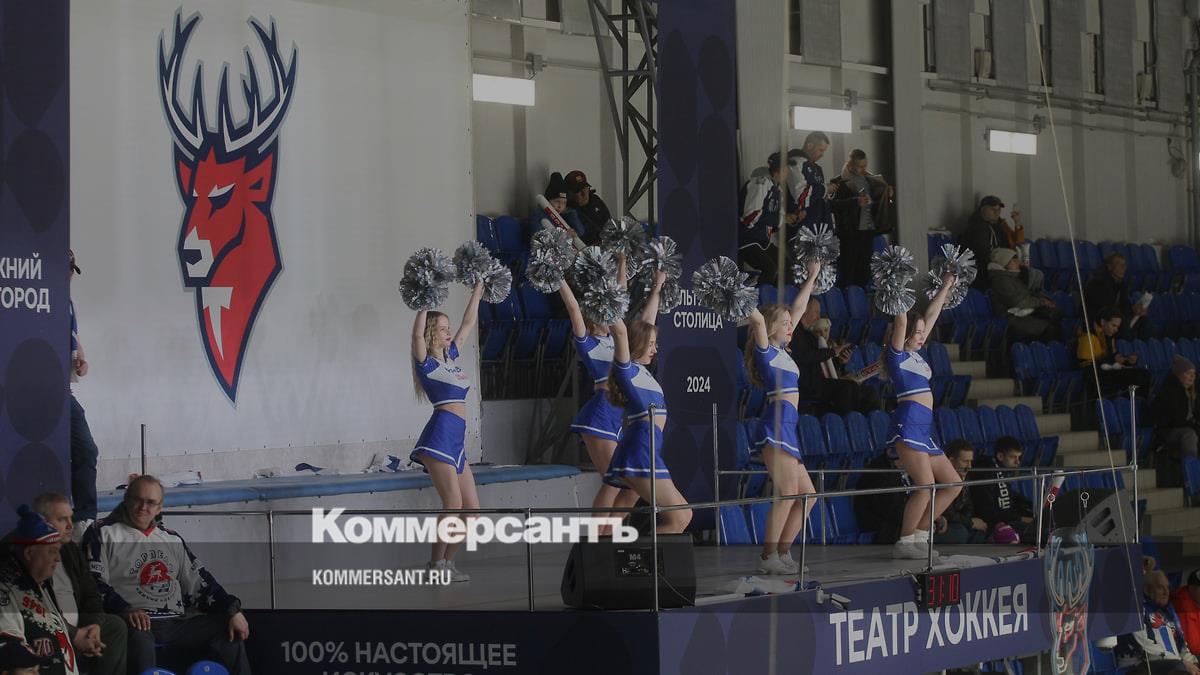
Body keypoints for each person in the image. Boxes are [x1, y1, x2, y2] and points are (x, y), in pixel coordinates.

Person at [83, 476, 250, 674]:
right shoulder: (101, 532)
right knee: (140, 638)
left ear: (159, 507)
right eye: (138, 499)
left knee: (227, 628)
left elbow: (201, 583)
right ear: (126, 499)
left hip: (176, 623)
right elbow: (92, 582)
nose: (143, 507)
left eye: (151, 502)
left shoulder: (171, 538)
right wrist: (124, 609)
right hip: (133, 623)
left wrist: (232, 610)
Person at [559, 258, 666, 530]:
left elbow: (640, 314)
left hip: (620, 417)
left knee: (631, 488)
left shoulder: (620, 341)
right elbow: (573, 308)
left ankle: (608, 534)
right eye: (603, 310)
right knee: (614, 481)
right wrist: (556, 276)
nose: (611, 314)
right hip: (600, 415)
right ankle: (595, 541)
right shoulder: (588, 343)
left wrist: (626, 264)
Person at [743, 261, 823, 574]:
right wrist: (739, 292)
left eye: (791, 323)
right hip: (776, 424)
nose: (791, 326)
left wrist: (812, 276)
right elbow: (756, 320)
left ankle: (783, 552)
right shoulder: (766, 352)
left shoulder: (785, 351)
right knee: (788, 493)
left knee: (808, 496)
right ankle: (768, 557)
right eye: (785, 323)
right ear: (771, 327)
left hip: (789, 426)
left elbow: (799, 307)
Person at [882, 271, 962, 559]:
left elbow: (931, 315)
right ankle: (904, 542)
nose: (920, 336)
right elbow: (902, 321)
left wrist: (946, 287)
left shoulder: (916, 353)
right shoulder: (897, 356)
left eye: (921, 333)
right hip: (907, 424)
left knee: (953, 484)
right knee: (925, 486)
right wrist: (898, 286)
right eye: (916, 333)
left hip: (924, 428)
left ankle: (920, 536)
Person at [409, 282, 484, 582]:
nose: (448, 332)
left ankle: (446, 563)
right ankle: (435, 564)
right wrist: (424, 301)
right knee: (453, 504)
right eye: (442, 329)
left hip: (457, 441)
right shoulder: (425, 363)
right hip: (439, 436)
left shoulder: (451, 357)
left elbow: (468, 323)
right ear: (431, 333)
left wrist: (478, 289)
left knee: (472, 510)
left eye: (447, 328)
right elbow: (415, 336)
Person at [601, 312, 692, 534]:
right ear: (637, 343)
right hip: (640, 449)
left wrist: (657, 292)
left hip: (648, 449)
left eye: (655, 343)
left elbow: (644, 323)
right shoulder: (627, 371)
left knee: (685, 514)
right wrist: (608, 302)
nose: (655, 349)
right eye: (650, 344)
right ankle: (639, 556)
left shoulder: (643, 372)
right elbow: (621, 332)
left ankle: (605, 550)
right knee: (679, 518)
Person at [33, 494, 126, 675]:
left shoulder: (70, 548)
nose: (71, 525)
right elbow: (37, 610)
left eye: (71, 518)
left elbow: (91, 592)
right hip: (48, 627)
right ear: (42, 521)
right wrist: (74, 635)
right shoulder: (28, 553)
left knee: (115, 626)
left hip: (78, 622)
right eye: (62, 519)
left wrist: (94, 625)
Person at [0, 505, 99, 675]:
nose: (58, 559)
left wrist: (76, 636)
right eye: (52, 551)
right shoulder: (6, 591)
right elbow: (10, 651)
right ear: (30, 553)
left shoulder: (41, 584)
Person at [788, 298, 880, 415]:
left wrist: (839, 362)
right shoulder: (794, 332)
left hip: (818, 382)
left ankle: (869, 421)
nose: (818, 317)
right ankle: (847, 420)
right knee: (847, 388)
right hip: (806, 384)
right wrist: (833, 352)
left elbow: (819, 363)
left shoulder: (810, 334)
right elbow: (805, 357)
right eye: (816, 312)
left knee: (870, 392)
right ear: (805, 309)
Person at [829, 149, 894, 286]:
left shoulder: (871, 180)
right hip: (848, 234)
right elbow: (833, 206)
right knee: (848, 271)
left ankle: (860, 293)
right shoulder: (838, 182)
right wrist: (855, 201)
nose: (864, 169)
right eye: (860, 167)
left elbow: (876, 203)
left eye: (865, 166)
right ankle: (848, 295)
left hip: (867, 231)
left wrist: (886, 194)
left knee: (864, 271)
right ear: (850, 165)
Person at [1117, 570, 1200, 674]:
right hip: (1139, 667)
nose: (1166, 592)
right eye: (1160, 587)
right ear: (1147, 590)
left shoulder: (1168, 612)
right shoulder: (1136, 610)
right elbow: (1147, 649)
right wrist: (1182, 663)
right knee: (1178, 667)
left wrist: (1193, 663)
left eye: (1167, 587)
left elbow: (1181, 644)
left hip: (1171, 664)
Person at [67, 250, 99, 524]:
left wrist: (81, 362)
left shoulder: (68, 302)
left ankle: (84, 519)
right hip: (33, 389)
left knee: (86, 450)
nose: (68, 275)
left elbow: (75, 342)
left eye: (71, 270)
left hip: (62, 390)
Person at [969, 437, 1035, 544]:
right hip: (994, 524)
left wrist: (1030, 506)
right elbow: (986, 510)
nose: (1017, 462)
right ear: (1000, 456)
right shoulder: (985, 472)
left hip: (1007, 520)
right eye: (1013, 457)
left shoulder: (1001, 470)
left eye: (1019, 457)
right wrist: (1021, 519)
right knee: (1036, 531)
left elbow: (1011, 496)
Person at [987, 247, 1061, 342]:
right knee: (1049, 328)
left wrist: (1042, 299)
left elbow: (1026, 293)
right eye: (1014, 260)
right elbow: (1019, 302)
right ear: (1004, 263)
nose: (1018, 262)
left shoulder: (1009, 277)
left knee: (1055, 315)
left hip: (1023, 312)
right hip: (1011, 318)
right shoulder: (1001, 281)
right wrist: (1041, 302)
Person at [737, 153, 791, 283]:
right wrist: (780, 220)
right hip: (747, 240)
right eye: (787, 168)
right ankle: (757, 293)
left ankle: (774, 294)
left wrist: (785, 219)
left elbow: (777, 221)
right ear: (779, 169)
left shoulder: (777, 189)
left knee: (789, 266)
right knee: (770, 268)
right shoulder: (760, 182)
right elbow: (750, 216)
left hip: (762, 242)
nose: (788, 172)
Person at [1078, 306, 1153, 398]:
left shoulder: (1109, 336)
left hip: (1108, 369)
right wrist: (1112, 364)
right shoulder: (1088, 336)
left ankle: (1138, 402)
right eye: (1113, 325)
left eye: (1117, 327)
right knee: (1135, 377)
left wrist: (1128, 360)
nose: (1116, 329)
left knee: (1143, 374)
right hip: (1096, 374)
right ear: (1103, 322)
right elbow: (1087, 365)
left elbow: (1115, 356)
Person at [1085, 252, 1151, 340]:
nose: (1124, 268)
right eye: (1120, 265)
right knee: (1123, 327)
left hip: (1116, 317)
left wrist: (1134, 310)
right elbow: (1105, 309)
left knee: (1143, 320)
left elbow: (1124, 304)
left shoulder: (1121, 284)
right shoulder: (1098, 283)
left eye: (1124, 265)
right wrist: (1130, 311)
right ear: (1109, 267)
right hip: (1100, 321)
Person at [934, 440, 989, 545]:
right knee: (961, 533)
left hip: (958, 523)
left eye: (970, 461)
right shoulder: (939, 479)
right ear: (951, 461)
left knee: (979, 533)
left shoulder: (965, 476)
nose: (969, 466)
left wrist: (969, 521)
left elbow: (969, 507)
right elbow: (948, 513)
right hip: (941, 525)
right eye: (965, 461)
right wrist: (970, 522)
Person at [853, 452, 911, 545]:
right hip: (880, 529)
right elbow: (891, 509)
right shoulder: (879, 471)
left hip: (893, 524)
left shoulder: (902, 469)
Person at [960, 196, 1015, 291]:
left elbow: (1008, 244)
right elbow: (983, 254)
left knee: (1026, 272)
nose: (997, 213)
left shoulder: (997, 225)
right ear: (983, 209)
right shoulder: (976, 227)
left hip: (994, 264)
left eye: (998, 210)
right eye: (993, 209)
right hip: (979, 268)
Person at [1153, 357, 1200, 467]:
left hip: (1188, 426)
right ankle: (1190, 469)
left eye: (1193, 374)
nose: (1192, 377)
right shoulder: (1171, 390)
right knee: (1189, 435)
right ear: (1179, 375)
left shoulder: (1193, 392)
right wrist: (1196, 427)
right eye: (1188, 373)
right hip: (1169, 430)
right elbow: (1175, 420)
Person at [789, 133, 834, 239]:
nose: (822, 155)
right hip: (804, 229)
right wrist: (825, 189)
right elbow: (801, 194)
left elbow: (821, 198)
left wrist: (829, 191)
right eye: (821, 150)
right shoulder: (796, 163)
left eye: (824, 151)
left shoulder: (816, 168)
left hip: (820, 228)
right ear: (809, 145)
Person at [564, 170, 611, 246]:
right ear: (570, 194)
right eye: (578, 190)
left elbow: (609, 224)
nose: (584, 193)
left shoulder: (595, 200)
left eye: (585, 188)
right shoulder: (569, 212)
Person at [1173, 569, 1200, 661]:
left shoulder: (1196, 601)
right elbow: (1193, 647)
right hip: (1191, 657)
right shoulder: (1183, 605)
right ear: (1191, 588)